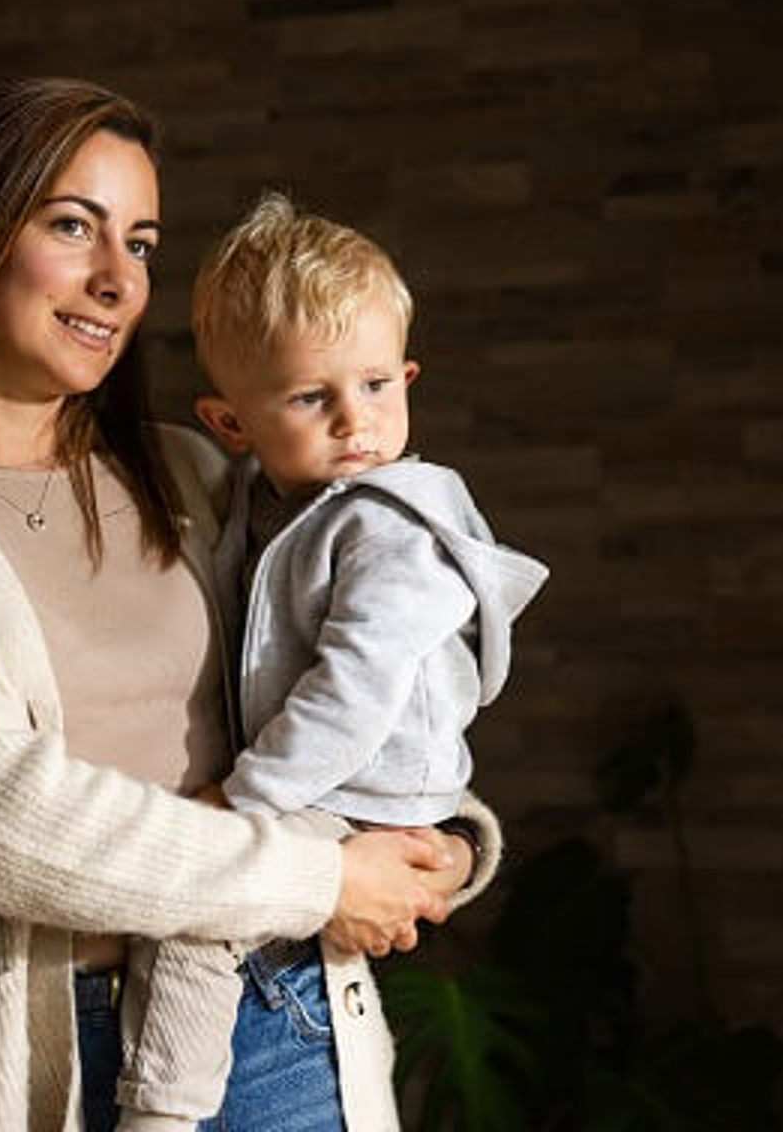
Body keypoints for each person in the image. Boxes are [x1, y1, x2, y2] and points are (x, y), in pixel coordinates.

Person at [0, 76, 502, 1132]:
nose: (117, 281)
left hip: (290, 1019)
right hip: (57, 1055)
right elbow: (8, 828)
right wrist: (320, 879)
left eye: (141, 245)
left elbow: (349, 670)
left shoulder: (194, 476)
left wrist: (441, 844)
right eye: (73, 226)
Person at [111, 195, 550, 1130]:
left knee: (198, 919)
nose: (357, 422)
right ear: (232, 424)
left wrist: (243, 802)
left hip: (357, 786)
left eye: (378, 385)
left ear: (407, 376)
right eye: (313, 398)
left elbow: (356, 688)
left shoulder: (389, 524)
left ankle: (158, 1114)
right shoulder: (263, 503)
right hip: (334, 785)